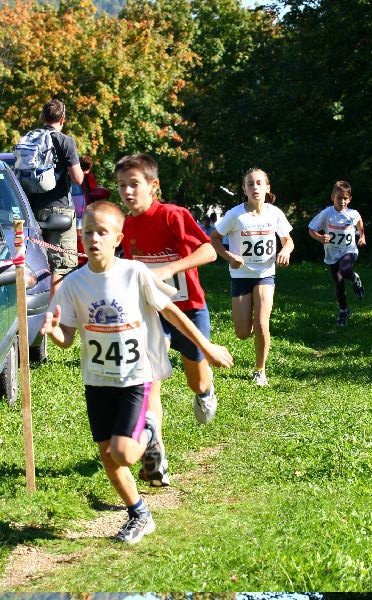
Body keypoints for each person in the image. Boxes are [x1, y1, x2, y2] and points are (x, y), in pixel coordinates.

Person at [40, 201, 232, 544]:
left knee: (125, 453)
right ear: (81, 240)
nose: (94, 239)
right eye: (88, 233)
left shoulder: (134, 273)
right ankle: (140, 514)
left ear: (118, 238)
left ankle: (149, 429)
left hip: (134, 378)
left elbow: (171, 312)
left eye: (102, 232)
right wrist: (55, 332)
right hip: (97, 381)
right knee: (107, 455)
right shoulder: (73, 284)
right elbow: (67, 339)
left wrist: (206, 346)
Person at [115, 153, 218, 487]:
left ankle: (205, 392)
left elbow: (209, 251)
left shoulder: (174, 216)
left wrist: (169, 268)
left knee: (196, 381)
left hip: (189, 310)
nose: (128, 192)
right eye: (121, 186)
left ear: (153, 186)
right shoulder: (126, 226)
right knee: (149, 378)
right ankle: (154, 445)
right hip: (152, 313)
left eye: (134, 184)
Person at [211, 167, 294, 387]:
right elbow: (214, 239)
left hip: (265, 274)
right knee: (241, 332)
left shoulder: (275, 213)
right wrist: (229, 257)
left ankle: (260, 370)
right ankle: (254, 355)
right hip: (240, 275)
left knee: (261, 323)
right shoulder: (235, 214)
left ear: (267, 187)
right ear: (244, 189)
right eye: (250, 184)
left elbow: (288, 240)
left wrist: (285, 251)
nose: (255, 187)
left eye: (259, 183)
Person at [28, 99, 84, 298]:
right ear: (62, 118)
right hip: (60, 211)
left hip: (33, 210)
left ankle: (35, 313)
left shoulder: (31, 139)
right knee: (62, 265)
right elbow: (78, 178)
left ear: (43, 117)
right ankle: (55, 319)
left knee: (37, 263)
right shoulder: (65, 141)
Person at [308, 180, 366, 326]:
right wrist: (320, 237)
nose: (342, 201)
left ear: (349, 199)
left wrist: (362, 236)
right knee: (339, 285)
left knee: (345, 270)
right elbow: (311, 229)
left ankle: (354, 278)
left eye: (345, 198)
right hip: (331, 255)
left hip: (349, 250)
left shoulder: (353, 214)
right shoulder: (327, 213)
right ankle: (343, 310)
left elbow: (359, 222)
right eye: (339, 198)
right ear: (332, 197)